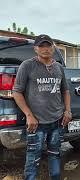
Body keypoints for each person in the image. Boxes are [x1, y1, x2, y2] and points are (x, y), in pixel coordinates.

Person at [13, 34, 72, 180]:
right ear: (35, 49)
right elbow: (16, 92)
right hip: (36, 123)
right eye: (41, 46)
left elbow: (65, 90)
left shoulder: (58, 67)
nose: (45, 49)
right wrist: (29, 115)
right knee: (33, 160)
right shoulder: (27, 65)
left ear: (53, 48)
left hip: (57, 121)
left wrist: (68, 110)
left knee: (55, 154)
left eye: (48, 45)